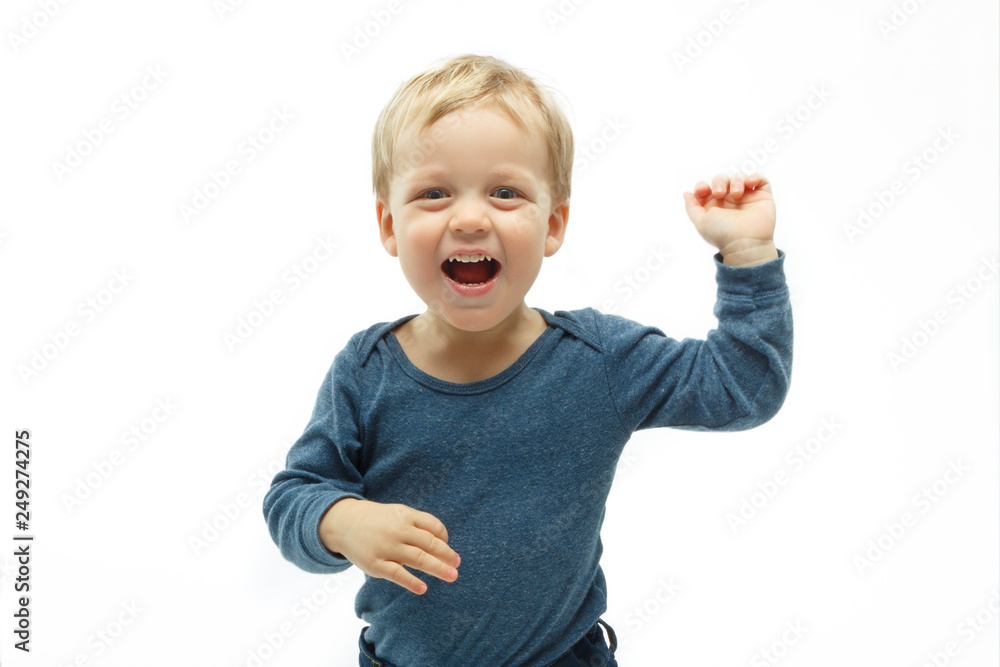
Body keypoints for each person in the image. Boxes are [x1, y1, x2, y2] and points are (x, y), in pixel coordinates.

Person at [263, 53, 792, 667]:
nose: (468, 218)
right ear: (388, 223)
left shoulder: (600, 362)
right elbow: (293, 496)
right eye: (434, 193)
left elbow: (743, 388)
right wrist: (340, 520)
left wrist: (749, 254)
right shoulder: (365, 371)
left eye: (505, 192)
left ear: (553, 223)